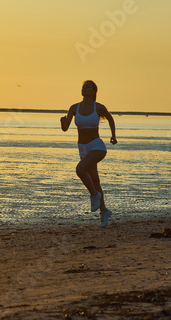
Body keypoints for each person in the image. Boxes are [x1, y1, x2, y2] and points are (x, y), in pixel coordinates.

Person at [60, 80, 117, 227]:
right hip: (82, 147)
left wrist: (113, 136)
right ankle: (104, 211)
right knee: (95, 179)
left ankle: (94, 195)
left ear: (93, 92)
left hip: (96, 145)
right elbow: (65, 128)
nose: (84, 88)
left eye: (88, 87)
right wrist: (62, 122)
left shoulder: (99, 107)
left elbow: (110, 118)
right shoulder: (74, 107)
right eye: (83, 86)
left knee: (80, 169)